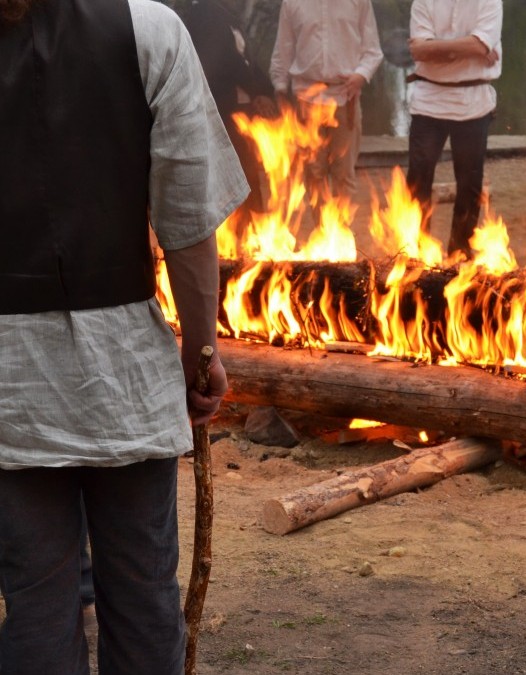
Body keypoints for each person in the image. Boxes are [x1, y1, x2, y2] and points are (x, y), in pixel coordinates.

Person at [0, 0, 248, 672]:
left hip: (11, 390)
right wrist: (202, 355)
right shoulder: (150, 31)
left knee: (36, 604)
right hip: (125, 379)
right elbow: (188, 226)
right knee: (142, 599)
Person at [405, 0, 503, 260]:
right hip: (429, 100)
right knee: (418, 178)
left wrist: (436, 49)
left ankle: (459, 252)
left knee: (470, 183)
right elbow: (420, 52)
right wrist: (471, 48)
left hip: (473, 101)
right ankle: (417, 250)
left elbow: (478, 45)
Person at [269, 0, 384, 200]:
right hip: (305, 99)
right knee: (314, 174)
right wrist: (280, 88)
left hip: (345, 97)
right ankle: (320, 221)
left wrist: (361, 75)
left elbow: (372, 51)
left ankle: (342, 221)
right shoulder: (292, 3)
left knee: (344, 174)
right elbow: (283, 50)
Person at [185, 0, 277, 219]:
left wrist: (267, 92)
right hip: (222, 114)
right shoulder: (205, 14)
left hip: (241, 114)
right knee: (235, 178)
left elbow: (248, 64)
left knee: (247, 174)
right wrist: (257, 91)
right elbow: (228, 62)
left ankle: (253, 229)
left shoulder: (228, 17)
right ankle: (241, 230)